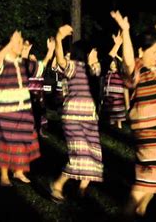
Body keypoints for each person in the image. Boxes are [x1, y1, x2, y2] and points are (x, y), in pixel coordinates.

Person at [111, 10, 156, 218]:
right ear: (142, 51)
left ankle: (140, 210)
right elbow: (129, 61)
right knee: (146, 178)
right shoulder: (137, 69)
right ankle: (129, 211)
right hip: (147, 130)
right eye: (154, 51)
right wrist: (126, 31)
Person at [49, 25, 103, 202]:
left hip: (90, 119)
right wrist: (58, 39)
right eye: (93, 51)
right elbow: (60, 61)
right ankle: (57, 185)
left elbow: (99, 70)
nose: (96, 53)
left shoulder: (93, 69)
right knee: (80, 155)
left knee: (94, 154)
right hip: (73, 118)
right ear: (85, 52)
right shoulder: (73, 67)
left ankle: (82, 190)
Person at [0, 31, 50, 186]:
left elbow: (40, 67)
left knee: (24, 139)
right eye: (19, 42)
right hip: (5, 111)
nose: (22, 45)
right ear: (9, 45)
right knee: (6, 142)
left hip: (24, 110)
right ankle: (4, 175)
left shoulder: (22, 62)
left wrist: (51, 50)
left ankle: (19, 171)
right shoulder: (2, 60)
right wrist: (10, 43)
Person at [102, 31, 129, 129]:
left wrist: (117, 55)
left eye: (114, 63)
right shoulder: (107, 73)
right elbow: (108, 58)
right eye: (111, 63)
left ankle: (120, 127)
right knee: (111, 115)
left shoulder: (120, 72)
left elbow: (124, 63)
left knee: (119, 113)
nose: (112, 65)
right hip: (109, 97)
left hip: (118, 98)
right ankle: (112, 128)